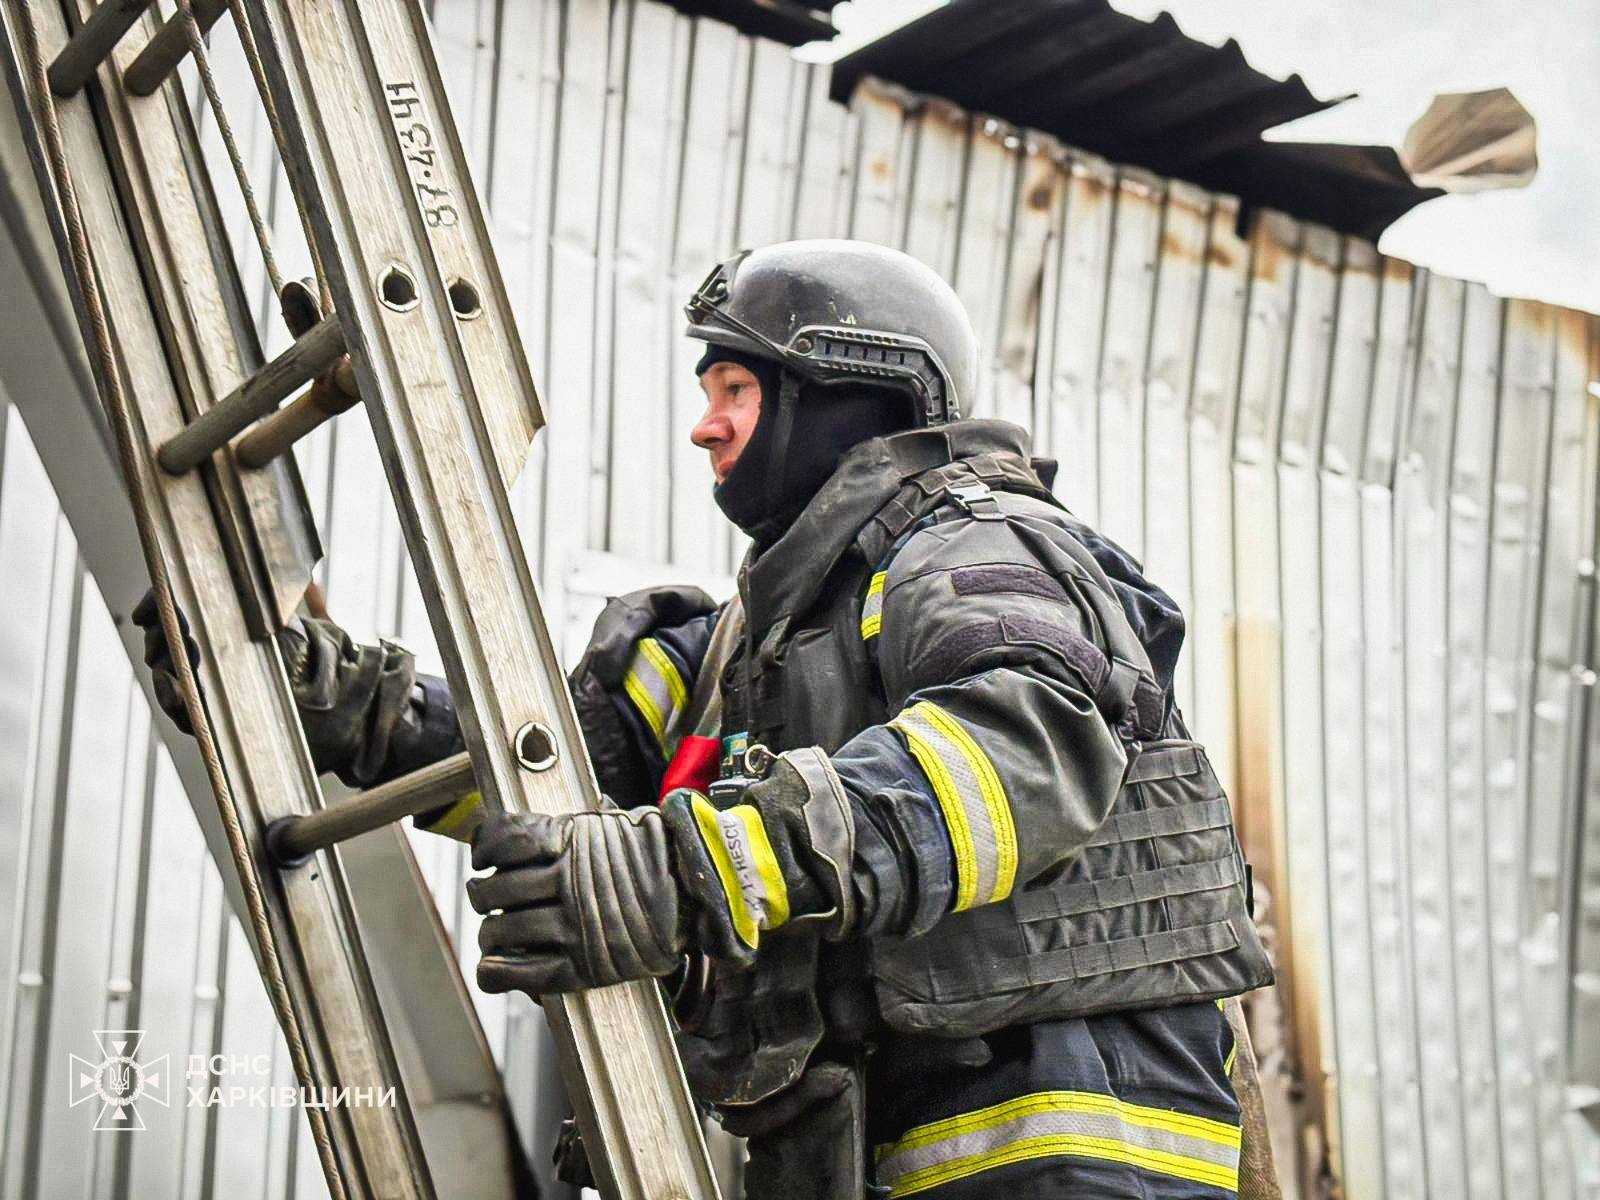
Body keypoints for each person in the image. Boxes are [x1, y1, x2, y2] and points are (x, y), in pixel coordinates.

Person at [140, 239, 1274, 1199]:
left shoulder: (973, 546)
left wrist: (688, 871)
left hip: (1067, 1147)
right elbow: (562, 793)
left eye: (735, 389)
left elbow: (1018, 755)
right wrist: (334, 698)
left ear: (848, 394)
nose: (706, 427)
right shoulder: (745, 648)